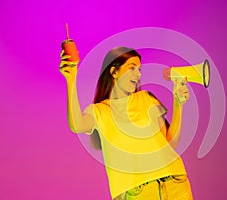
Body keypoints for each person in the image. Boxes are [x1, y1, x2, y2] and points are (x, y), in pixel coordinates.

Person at [59, 46, 194, 200]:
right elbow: (77, 125)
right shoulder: (99, 111)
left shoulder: (147, 98)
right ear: (114, 72)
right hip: (136, 192)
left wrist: (178, 104)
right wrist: (71, 79)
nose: (138, 74)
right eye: (132, 68)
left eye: (139, 69)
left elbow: (169, 144)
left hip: (175, 182)